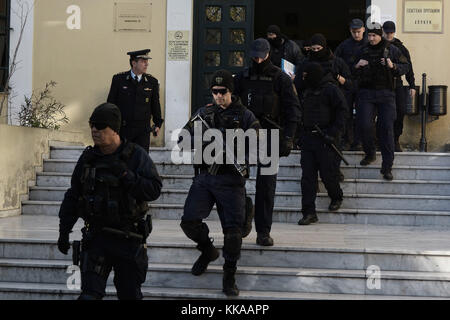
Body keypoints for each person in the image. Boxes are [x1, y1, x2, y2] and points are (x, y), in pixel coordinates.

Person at [57, 103, 163, 300]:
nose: (94, 131)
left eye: (100, 126)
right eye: (92, 126)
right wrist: (64, 230)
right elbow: (73, 195)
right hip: (97, 238)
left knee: (130, 295)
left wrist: (125, 175)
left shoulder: (135, 155)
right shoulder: (89, 159)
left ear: (114, 129)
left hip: (127, 238)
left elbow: (154, 190)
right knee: (89, 296)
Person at [178, 70, 260, 296]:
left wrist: (233, 145)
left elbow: (256, 144)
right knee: (189, 222)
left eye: (222, 92)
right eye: (215, 92)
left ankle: (229, 275)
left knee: (233, 233)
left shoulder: (245, 116)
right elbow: (182, 140)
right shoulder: (203, 113)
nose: (218, 96)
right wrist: (205, 139)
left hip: (231, 179)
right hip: (205, 177)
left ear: (231, 91)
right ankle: (207, 251)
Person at [234, 38, 301, 246]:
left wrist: (289, 137)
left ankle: (263, 231)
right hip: (245, 136)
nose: (257, 59)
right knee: (235, 182)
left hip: (270, 136)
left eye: (260, 55)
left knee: (266, 187)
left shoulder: (280, 78)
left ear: (268, 54)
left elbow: (293, 110)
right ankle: (242, 217)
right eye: (254, 55)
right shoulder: (243, 77)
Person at [353, 22, 410, 181]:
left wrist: (393, 66)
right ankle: (370, 153)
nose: (371, 38)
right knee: (364, 125)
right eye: (369, 35)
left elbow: (406, 66)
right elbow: (349, 70)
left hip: (386, 93)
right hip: (366, 93)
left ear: (380, 35)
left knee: (386, 128)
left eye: (374, 36)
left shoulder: (392, 49)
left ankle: (387, 166)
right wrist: (357, 65)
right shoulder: (362, 50)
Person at [294, 33, 352, 181]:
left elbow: (350, 83)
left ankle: (335, 171)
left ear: (324, 47)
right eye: (313, 49)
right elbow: (298, 87)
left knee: (334, 143)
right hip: (311, 110)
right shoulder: (305, 64)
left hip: (332, 107)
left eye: (318, 48)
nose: (316, 51)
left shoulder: (337, 63)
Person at [297, 63, 347, 225]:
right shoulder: (306, 91)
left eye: (306, 76)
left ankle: (336, 196)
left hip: (325, 139)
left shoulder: (331, 90)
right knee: (308, 178)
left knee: (328, 174)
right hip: (308, 139)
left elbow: (342, 111)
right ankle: (309, 212)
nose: (303, 79)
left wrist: (333, 133)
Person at [107, 49, 164, 153]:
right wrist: (111, 125)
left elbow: (155, 104)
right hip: (124, 129)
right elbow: (111, 104)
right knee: (122, 159)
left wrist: (157, 124)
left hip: (143, 130)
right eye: (143, 61)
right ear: (134, 63)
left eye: (147, 61)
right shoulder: (119, 79)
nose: (146, 64)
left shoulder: (152, 82)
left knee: (141, 161)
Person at [382, 21, 417, 152]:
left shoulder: (401, 48)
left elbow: (409, 67)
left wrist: (412, 85)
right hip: (382, 85)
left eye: (391, 32)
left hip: (397, 84)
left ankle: (395, 139)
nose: (389, 35)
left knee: (400, 111)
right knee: (383, 114)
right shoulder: (377, 45)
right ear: (383, 31)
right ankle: (383, 140)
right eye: (387, 32)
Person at [335, 18, 369, 151]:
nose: (356, 34)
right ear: (350, 31)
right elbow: (335, 63)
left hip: (363, 85)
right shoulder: (344, 46)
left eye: (359, 32)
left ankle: (359, 141)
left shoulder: (369, 44)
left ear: (363, 30)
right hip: (347, 84)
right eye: (354, 32)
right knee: (346, 113)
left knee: (363, 114)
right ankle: (347, 140)